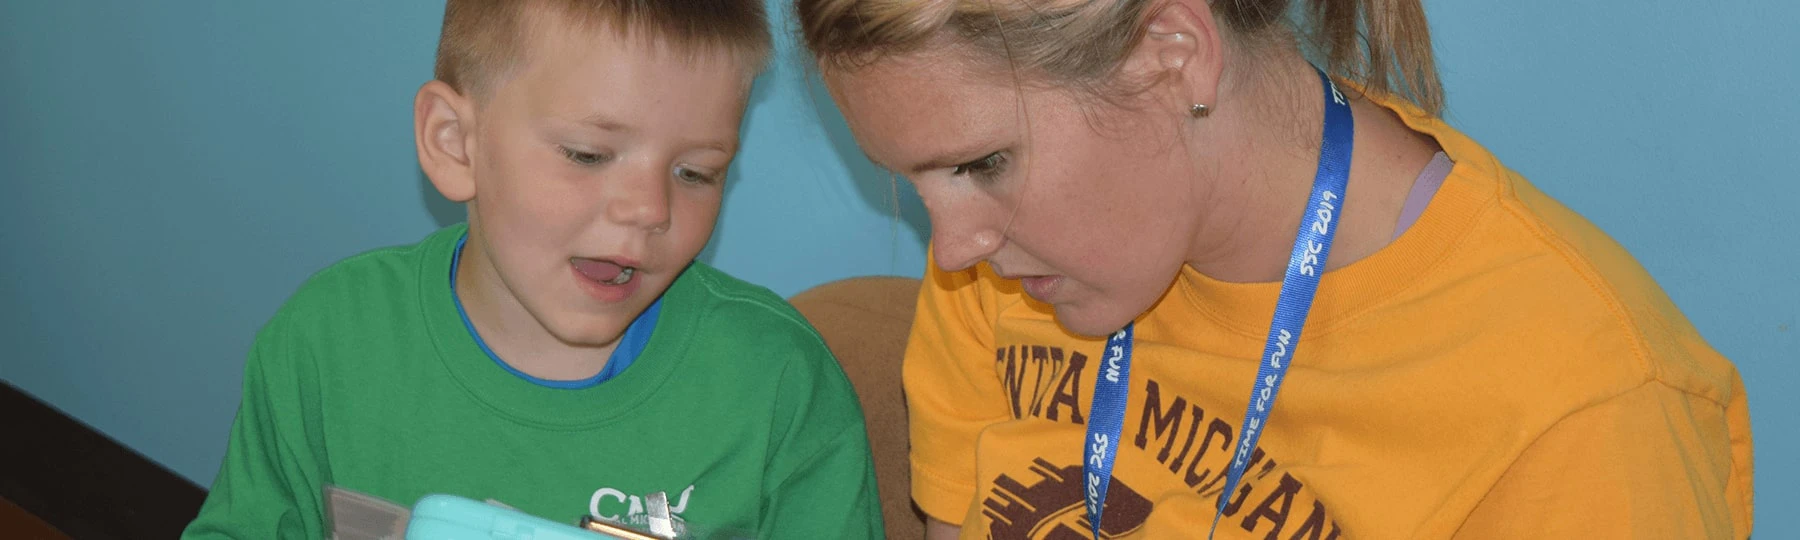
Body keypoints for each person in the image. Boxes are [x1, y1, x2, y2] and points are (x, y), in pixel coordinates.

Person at [796, 0, 1754, 537]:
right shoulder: (1013, 266)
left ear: (1173, 56)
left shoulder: (1584, 409)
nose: (952, 243)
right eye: (918, 182)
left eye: (983, 165)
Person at [182, 1, 884, 537]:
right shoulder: (327, 344)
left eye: (695, 172)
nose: (649, 210)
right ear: (455, 144)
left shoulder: (780, 389)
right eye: (587, 154)